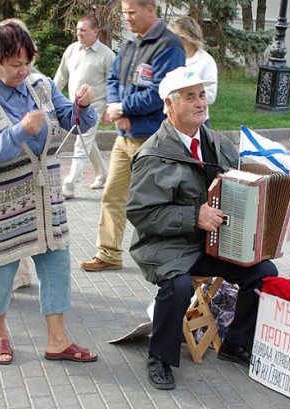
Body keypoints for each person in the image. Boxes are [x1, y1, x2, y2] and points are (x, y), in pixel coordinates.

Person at [126, 67, 290, 390]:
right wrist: (194, 216)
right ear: (170, 104)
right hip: (168, 246)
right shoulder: (152, 154)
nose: (200, 102)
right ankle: (160, 357)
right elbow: (141, 215)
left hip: (214, 243)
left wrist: (285, 210)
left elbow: (248, 187)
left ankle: (237, 343)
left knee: (265, 272)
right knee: (179, 286)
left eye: (202, 95)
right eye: (191, 96)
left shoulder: (218, 143)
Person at [0, 19, 98, 365]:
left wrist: (82, 106)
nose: (23, 71)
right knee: (0, 274)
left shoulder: (41, 84)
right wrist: (19, 131)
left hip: (45, 200)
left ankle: (57, 340)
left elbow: (72, 120)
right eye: (14, 64)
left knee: (56, 265)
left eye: (27, 62)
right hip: (1, 208)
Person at [79, 0, 185, 272]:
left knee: (152, 204)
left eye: (131, 12)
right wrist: (117, 109)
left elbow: (162, 91)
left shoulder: (168, 46)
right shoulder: (129, 44)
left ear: (150, 10)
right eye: (124, 12)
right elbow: (113, 79)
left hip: (153, 141)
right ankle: (108, 253)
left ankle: (165, 260)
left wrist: (124, 108)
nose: (127, 18)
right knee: (112, 195)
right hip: (124, 137)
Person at [54, 14, 114, 199]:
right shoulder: (71, 50)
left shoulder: (107, 55)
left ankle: (69, 186)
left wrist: (110, 108)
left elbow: (113, 84)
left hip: (94, 109)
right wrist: (47, 96)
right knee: (87, 142)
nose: (79, 33)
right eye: (77, 29)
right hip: (74, 108)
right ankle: (103, 174)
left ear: (95, 31)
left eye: (83, 30)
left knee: (81, 144)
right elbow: (61, 77)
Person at [168, 16, 218, 127]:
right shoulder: (172, 58)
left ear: (185, 39)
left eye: (173, 37)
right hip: (173, 120)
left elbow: (210, 95)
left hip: (197, 121)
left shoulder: (206, 61)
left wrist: (188, 98)